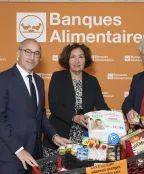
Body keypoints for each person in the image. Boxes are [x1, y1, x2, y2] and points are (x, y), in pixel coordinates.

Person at [0, 39, 71, 174]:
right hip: (11, 156)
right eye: (28, 52)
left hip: (35, 156)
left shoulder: (39, 81)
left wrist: (55, 136)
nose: (32, 57)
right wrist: (19, 150)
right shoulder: (3, 79)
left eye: (36, 53)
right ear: (18, 53)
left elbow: (40, 116)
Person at [42, 43, 110, 173]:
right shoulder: (58, 77)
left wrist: (116, 120)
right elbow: (54, 105)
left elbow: (102, 106)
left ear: (86, 59)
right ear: (67, 59)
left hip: (83, 141)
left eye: (81, 56)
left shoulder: (92, 80)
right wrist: (74, 117)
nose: (77, 60)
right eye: (73, 57)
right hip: (59, 138)